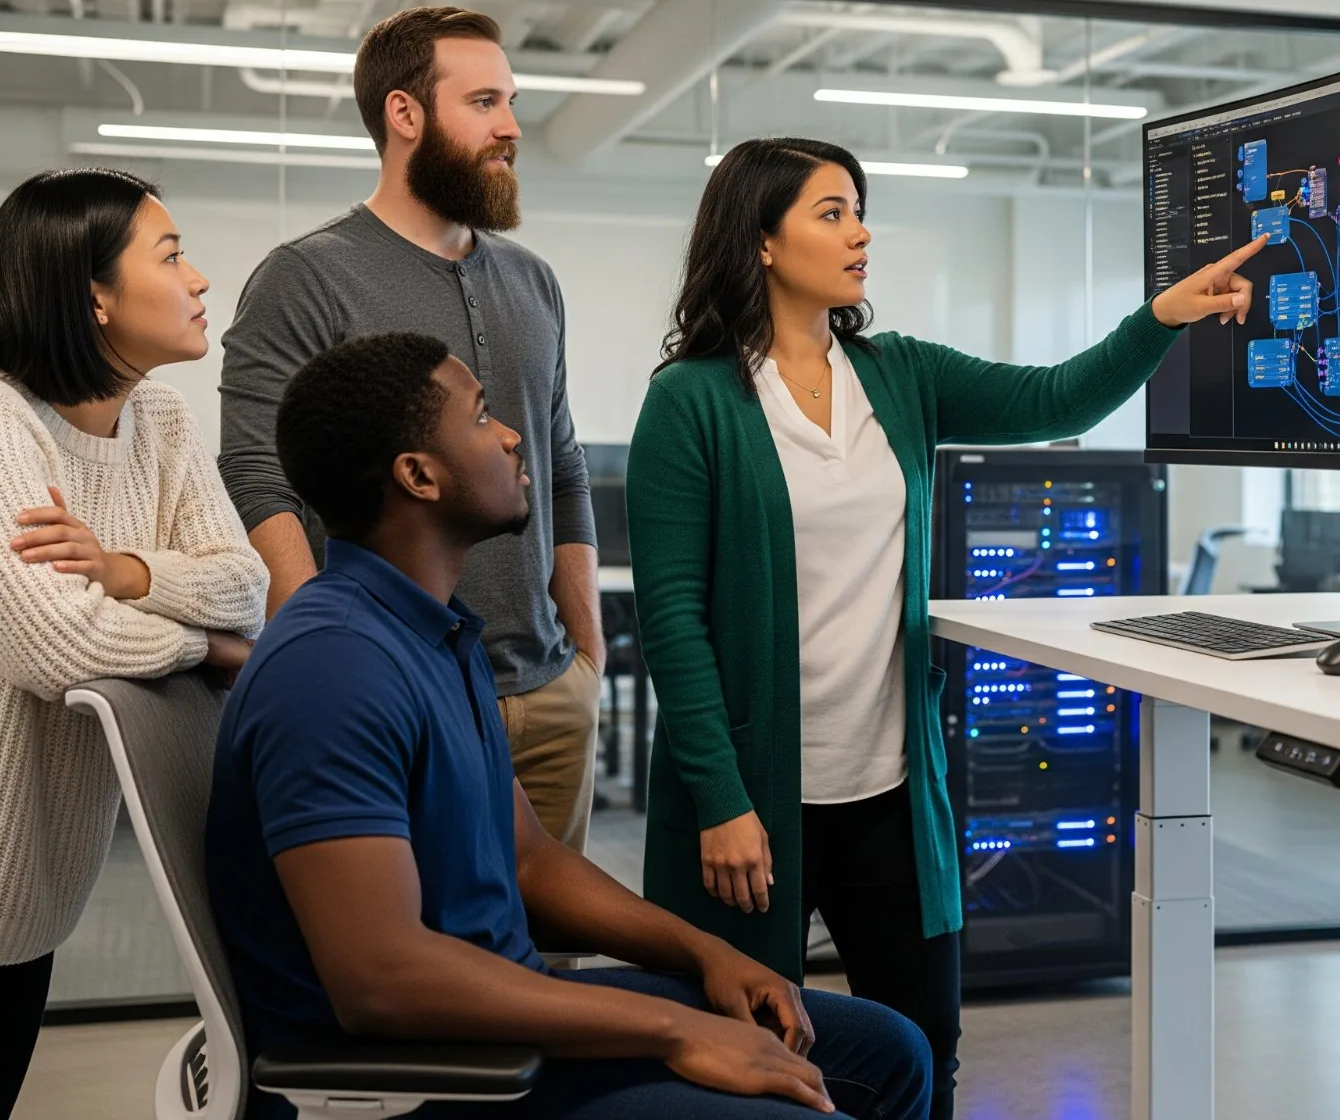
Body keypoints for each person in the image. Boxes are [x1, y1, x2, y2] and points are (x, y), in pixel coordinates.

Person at [626, 138, 1267, 1117]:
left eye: (859, 209)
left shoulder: (900, 375)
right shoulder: (690, 398)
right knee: (749, 1067)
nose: (860, 231)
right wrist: (718, 794)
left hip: (887, 784)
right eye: (831, 212)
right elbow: (671, 613)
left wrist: (1159, 319)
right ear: (759, 240)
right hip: (750, 804)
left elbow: (1058, 394)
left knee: (924, 1055)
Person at [206, 332, 931, 1120]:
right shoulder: (335, 667)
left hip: (504, 1027)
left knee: (889, 1050)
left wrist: (707, 953)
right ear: (419, 476)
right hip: (423, 1080)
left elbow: (528, 861)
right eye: (481, 417)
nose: (512, 435)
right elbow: (383, 980)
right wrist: (674, 1030)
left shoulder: (431, 633)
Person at [0, 169, 266, 1120]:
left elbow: (244, 586)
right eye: (169, 256)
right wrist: (204, 649)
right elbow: (55, 643)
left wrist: (126, 570)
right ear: (93, 295)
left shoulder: (157, 422)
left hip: (27, 894)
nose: (200, 278)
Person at [219, 5, 603, 853]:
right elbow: (255, 472)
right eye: (484, 103)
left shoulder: (533, 283)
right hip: (399, 692)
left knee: (554, 961)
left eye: (510, 102)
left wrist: (587, 653)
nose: (510, 127)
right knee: (436, 960)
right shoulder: (305, 278)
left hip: (549, 691)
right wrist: (324, 662)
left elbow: (563, 467)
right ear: (406, 114)